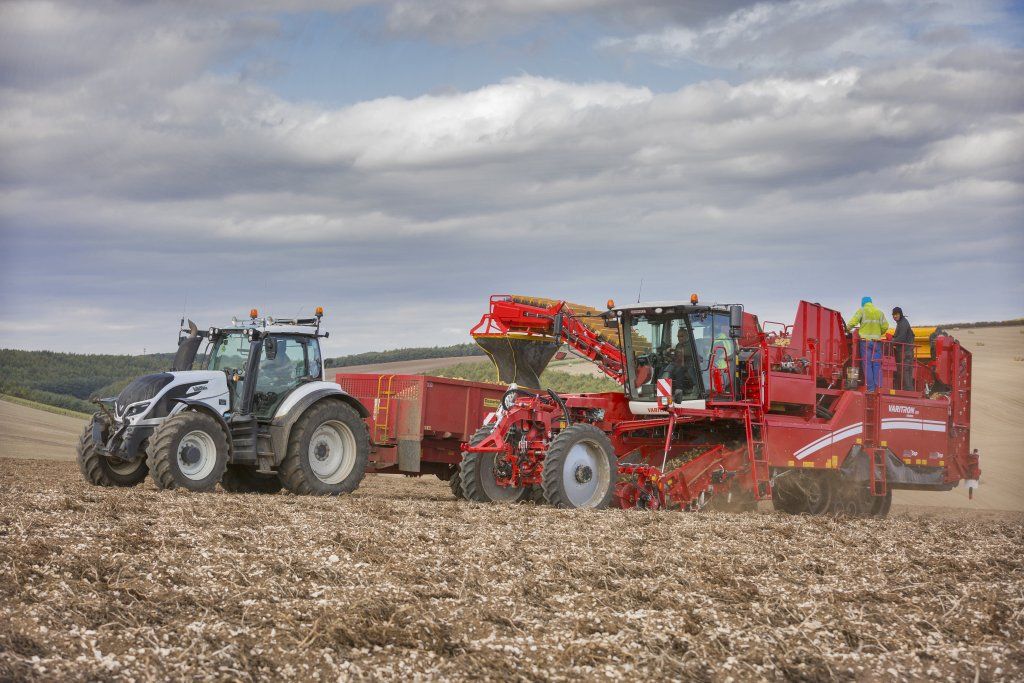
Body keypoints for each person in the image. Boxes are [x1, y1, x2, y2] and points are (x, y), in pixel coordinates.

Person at [847, 296, 889, 393]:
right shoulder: (879, 312)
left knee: (867, 364)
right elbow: (885, 326)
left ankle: (870, 388)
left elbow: (853, 322)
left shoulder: (862, 311)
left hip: (865, 342)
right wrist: (879, 332)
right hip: (877, 343)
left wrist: (847, 329)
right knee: (877, 364)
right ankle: (878, 387)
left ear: (863, 303)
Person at [891, 306, 915, 390]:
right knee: (905, 370)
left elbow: (901, 338)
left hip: (906, 351)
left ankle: (908, 390)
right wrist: (893, 338)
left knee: (905, 370)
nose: (895, 316)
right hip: (905, 350)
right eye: (893, 315)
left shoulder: (903, 323)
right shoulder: (901, 322)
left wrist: (891, 342)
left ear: (900, 314)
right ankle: (906, 389)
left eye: (896, 314)